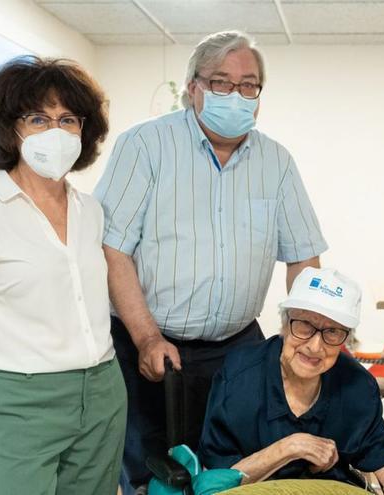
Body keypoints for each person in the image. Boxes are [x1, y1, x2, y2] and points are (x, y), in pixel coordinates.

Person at [93, 30, 327, 494]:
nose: (235, 95)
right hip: (148, 345)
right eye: (221, 82)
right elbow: (111, 248)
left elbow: (304, 257)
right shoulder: (144, 145)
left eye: (248, 85)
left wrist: (301, 334)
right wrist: (146, 337)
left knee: (235, 471)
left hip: (236, 347)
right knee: (153, 475)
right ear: (193, 87)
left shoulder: (276, 162)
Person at [0, 56, 125, 495]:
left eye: (68, 119)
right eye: (38, 118)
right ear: (8, 127)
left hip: (101, 394)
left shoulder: (90, 211)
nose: (55, 132)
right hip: (14, 404)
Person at [198, 267, 384, 494]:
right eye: (304, 325)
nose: (314, 347)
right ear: (285, 323)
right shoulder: (239, 378)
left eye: (332, 331)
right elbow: (217, 481)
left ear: (345, 339)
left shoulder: (357, 386)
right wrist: (290, 447)